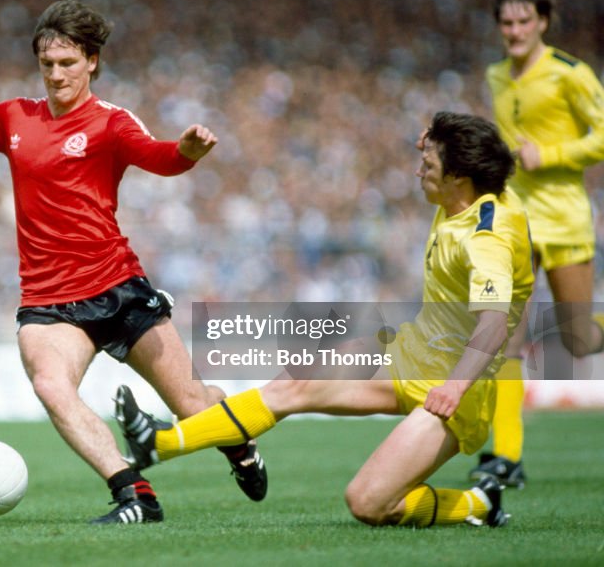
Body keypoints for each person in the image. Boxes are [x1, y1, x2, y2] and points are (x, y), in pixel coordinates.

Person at [0, 0, 266, 523]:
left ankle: (239, 448)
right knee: (50, 384)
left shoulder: (110, 122)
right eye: (47, 64)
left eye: (67, 63)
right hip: (49, 300)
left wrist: (188, 152)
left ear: (91, 62)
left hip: (118, 287)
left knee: (193, 405)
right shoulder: (15, 117)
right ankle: (134, 494)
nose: (56, 74)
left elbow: (159, 157)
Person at [116, 111, 533, 529]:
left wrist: (456, 386)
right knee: (294, 382)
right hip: (410, 351)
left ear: (460, 177)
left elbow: (493, 324)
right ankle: (160, 444)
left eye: (428, 166)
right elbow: (484, 158)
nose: (417, 170)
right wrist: (440, 140)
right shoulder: (467, 190)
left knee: (369, 503)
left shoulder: (487, 240)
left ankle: (478, 504)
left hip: (454, 386)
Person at [474, 0, 604, 487]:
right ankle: (506, 457)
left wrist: (548, 155)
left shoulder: (570, 74)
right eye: (506, 22)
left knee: (578, 339)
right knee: (506, 337)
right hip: (514, 222)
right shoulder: (496, 76)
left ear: (543, 22)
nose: (515, 30)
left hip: (565, 218)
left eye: (524, 20)